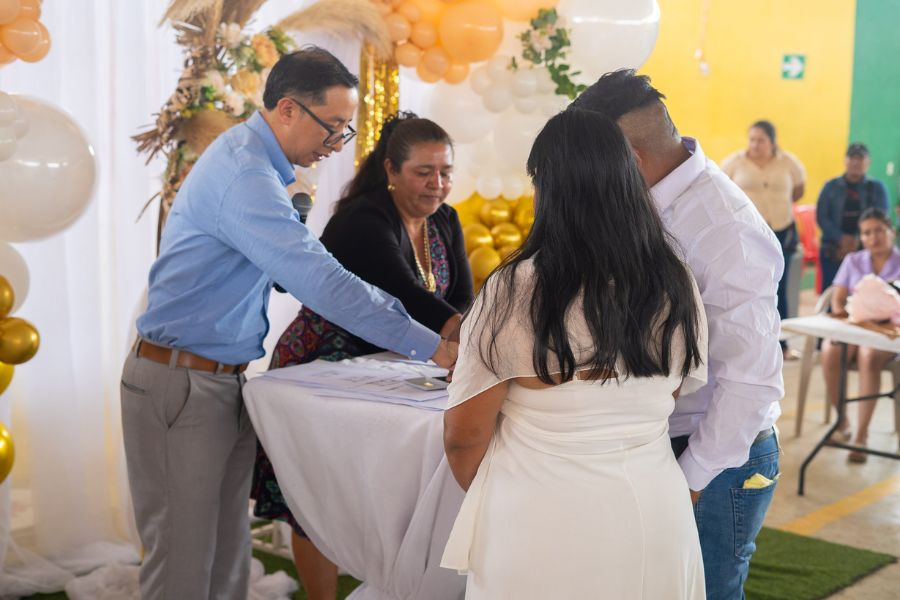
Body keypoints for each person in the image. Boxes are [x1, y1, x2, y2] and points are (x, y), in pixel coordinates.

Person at [121, 48, 457, 600]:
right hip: (181, 383)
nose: (338, 143)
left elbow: (282, 274)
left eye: (346, 130)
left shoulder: (263, 167)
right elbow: (319, 281)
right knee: (182, 564)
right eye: (334, 126)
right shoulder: (246, 174)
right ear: (287, 110)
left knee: (227, 557)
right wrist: (431, 344)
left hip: (221, 378)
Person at [441, 108, 708, 598]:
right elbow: (667, 394)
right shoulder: (675, 279)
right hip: (656, 511)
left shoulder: (516, 288)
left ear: (547, 188)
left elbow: (464, 439)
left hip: (540, 521)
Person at [572, 70, 783, 600]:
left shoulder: (726, 228)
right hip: (658, 439)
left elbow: (751, 382)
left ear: (629, 157)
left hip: (715, 457)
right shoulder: (650, 198)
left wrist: (690, 480)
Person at [251, 112, 474, 600]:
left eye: (446, 172)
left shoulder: (447, 219)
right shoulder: (363, 220)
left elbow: (461, 298)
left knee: (370, 494)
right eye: (424, 172)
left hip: (392, 369)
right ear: (391, 170)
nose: (437, 184)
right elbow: (409, 298)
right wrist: (471, 341)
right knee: (321, 495)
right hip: (323, 363)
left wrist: (470, 332)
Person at [820, 208, 900, 463]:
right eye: (866, 233)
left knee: (868, 355)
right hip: (856, 326)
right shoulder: (853, 260)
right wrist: (846, 315)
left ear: (891, 232)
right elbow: (838, 298)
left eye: (879, 230)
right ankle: (842, 423)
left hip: (888, 334)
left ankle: (861, 436)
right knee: (830, 350)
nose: (873, 237)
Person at [721, 120, 806, 360]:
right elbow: (722, 192)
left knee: (779, 287)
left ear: (772, 142)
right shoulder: (734, 162)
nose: (755, 145)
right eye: (752, 139)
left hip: (781, 231)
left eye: (761, 140)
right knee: (747, 288)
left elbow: (798, 191)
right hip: (746, 234)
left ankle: (782, 345)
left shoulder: (788, 163)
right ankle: (748, 345)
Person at [816, 143, 890, 290]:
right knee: (831, 293)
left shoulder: (877, 188)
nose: (856, 162)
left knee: (865, 293)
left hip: (866, 247)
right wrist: (841, 238)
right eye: (852, 158)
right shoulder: (830, 186)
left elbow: (881, 218)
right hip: (834, 247)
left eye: (860, 159)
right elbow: (822, 217)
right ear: (845, 161)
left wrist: (857, 240)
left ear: (868, 162)